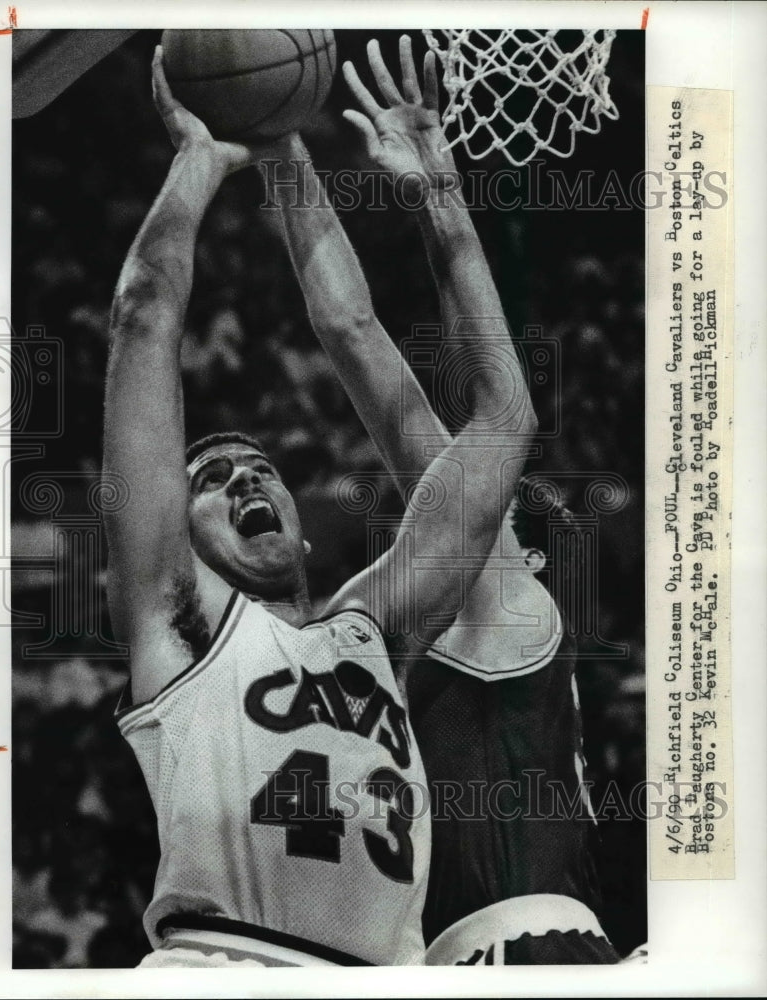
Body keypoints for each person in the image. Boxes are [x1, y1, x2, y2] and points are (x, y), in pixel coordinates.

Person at [102, 46, 533, 968]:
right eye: (209, 481)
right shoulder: (176, 627)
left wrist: (438, 194)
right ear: (177, 533)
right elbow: (142, 313)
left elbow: (503, 422)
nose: (242, 481)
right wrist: (196, 165)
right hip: (218, 964)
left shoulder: (370, 631)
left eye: (255, 468)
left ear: (297, 515)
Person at [269, 36, 620, 964]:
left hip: (515, 948)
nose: (466, 503)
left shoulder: (500, 592)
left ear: (527, 552)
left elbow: (353, 334)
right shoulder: (441, 617)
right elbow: (350, 332)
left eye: (498, 501)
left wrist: (289, 149)